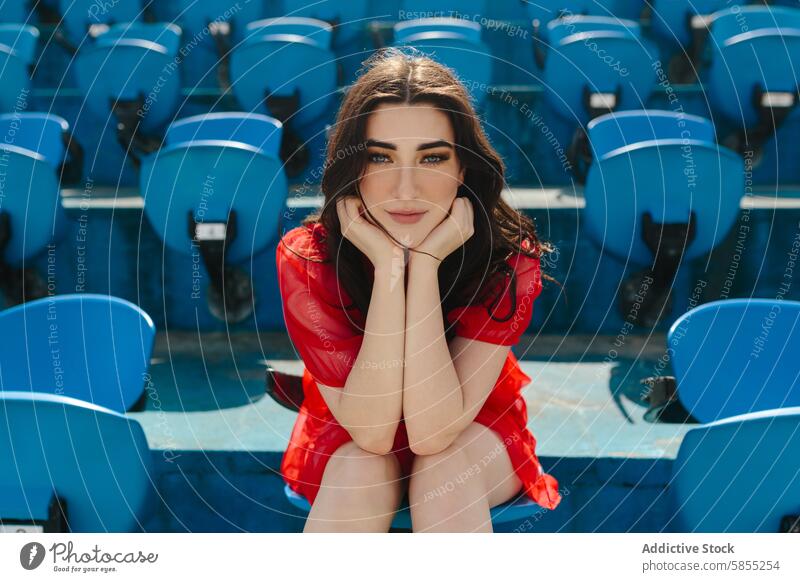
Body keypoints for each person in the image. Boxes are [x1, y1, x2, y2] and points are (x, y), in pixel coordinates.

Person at [276, 48, 561, 532]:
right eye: (380, 157)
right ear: (353, 167)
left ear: (463, 168)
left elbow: (433, 433)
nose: (405, 188)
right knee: (363, 466)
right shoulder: (308, 257)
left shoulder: (509, 256)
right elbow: (371, 433)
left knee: (444, 469)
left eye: (432, 157)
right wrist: (390, 269)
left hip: (471, 429)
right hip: (348, 429)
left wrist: (424, 267)